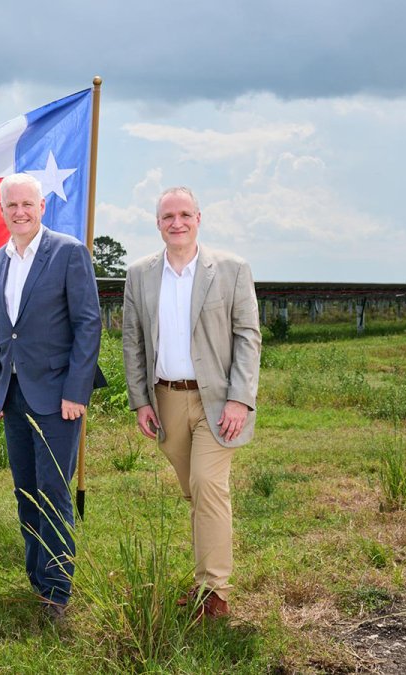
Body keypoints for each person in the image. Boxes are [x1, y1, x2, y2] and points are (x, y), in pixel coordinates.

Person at [121, 186, 260, 620]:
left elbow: (248, 337)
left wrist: (240, 399)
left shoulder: (231, 269)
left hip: (218, 402)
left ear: (199, 218)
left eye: (184, 214)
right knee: (196, 493)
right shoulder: (140, 274)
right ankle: (205, 578)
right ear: (158, 224)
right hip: (166, 399)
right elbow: (133, 343)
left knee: (208, 485)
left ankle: (214, 593)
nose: (176, 222)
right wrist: (141, 399)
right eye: (167, 217)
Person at [0, 173, 104, 621]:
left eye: (27, 204)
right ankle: (37, 577)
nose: (20, 212)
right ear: (1, 210)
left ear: (42, 207)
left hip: (57, 397)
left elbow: (88, 324)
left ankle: (57, 591)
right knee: (25, 491)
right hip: (12, 396)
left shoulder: (68, 252)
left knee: (53, 490)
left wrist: (77, 391)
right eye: (11, 205)